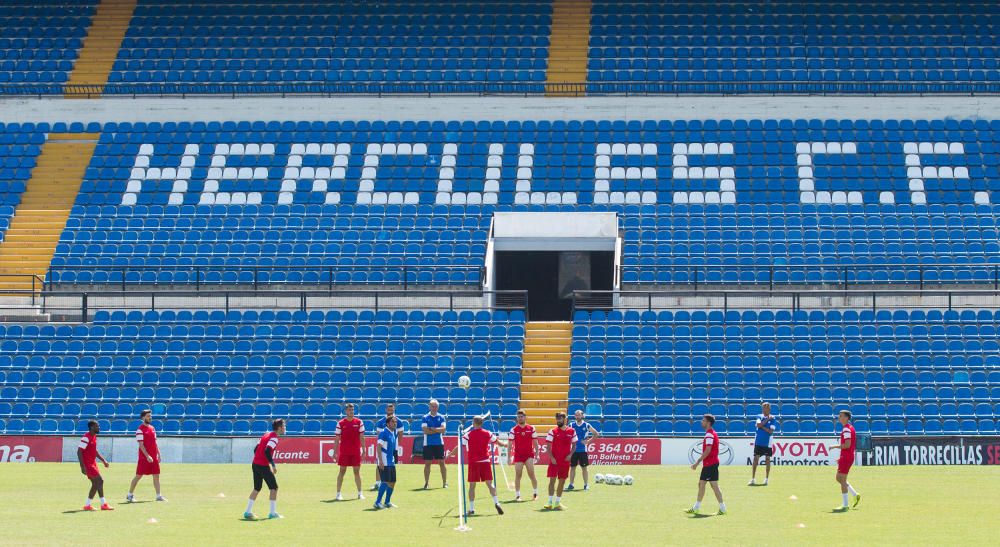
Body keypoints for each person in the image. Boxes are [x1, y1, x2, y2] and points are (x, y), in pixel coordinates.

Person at [464, 415, 506, 516]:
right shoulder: (488, 433)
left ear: (474, 423)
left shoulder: (468, 434)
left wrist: (450, 453)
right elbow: (498, 443)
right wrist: (505, 444)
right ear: (482, 423)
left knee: (472, 486)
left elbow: (459, 446)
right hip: (485, 462)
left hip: (474, 462)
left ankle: (471, 508)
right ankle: (497, 502)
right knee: (490, 484)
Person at [686, 414, 726, 515]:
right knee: (705, 484)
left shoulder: (709, 434)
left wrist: (697, 462)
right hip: (711, 463)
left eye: (703, 420)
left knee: (711, 485)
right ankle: (698, 507)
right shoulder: (711, 433)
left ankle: (721, 508)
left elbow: (708, 450)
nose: (701, 422)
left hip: (710, 463)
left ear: (708, 423)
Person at [245, 418, 284, 520]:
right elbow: (267, 450)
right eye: (284, 426)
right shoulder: (274, 438)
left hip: (255, 464)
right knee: (274, 488)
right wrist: (272, 465)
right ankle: (272, 513)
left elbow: (256, 449)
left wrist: (258, 459)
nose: (285, 428)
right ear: (279, 428)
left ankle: (247, 512)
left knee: (257, 488)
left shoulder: (266, 434)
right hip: (262, 465)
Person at [127, 409, 166, 502]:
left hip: (154, 457)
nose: (150, 417)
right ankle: (129, 495)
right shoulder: (140, 430)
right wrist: (147, 456)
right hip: (144, 458)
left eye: (150, 416)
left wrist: (159, 454)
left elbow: (155, 443)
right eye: (148, 416)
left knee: (156, 475)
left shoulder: (152, 428)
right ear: (143, 417)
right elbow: (141, 445)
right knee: (138, 476)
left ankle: (158, 496)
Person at [543, 412, 577, 510]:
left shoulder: (572, 431)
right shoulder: (552, 431)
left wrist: (570, 455)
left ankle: (557, 503)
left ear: (565, 419)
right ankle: (549, 502)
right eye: (557, 419)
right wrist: (552, 458)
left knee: (562, 482)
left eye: (560, 419)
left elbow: (574, 445)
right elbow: (548, 446)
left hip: (565, 461)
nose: (558, 421)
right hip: (554, 461)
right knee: (552, 481)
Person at [78, 420, 113, 511]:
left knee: (96, 483)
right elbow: (79, 451)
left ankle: (88, 505)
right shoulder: (86, 437)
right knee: (100, 481)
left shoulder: (94, 436)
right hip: (88, 465)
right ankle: (103, 504)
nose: (99, 427)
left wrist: (103, 460)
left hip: (93, 463)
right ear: (92, 427)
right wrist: (82, 466)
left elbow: (94, 451)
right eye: (97, 426)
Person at [830, 410, 862, 511]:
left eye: (841, 416)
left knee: (842, 479)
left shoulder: (846, 430)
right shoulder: (849, 428)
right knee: (839, 478)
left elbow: (847, 445)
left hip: (847, 457)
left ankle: (845, 505)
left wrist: (835, 446)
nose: (839, 418)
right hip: (846, 456)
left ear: (846, 418)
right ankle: (855, 494)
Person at [333, 403, 365, 500]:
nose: (351, 411)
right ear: (346, 411)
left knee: (357, 472)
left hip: (355, 451)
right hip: (344, 452)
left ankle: (360, 493)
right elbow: (337, 438)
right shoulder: (341, 423)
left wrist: (364, 449)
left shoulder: (359, 422)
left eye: (353, 409)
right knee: (342, 471)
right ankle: (338, 494)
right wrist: (335, 452)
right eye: (349, 409)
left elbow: (362, 437)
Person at [372, 403, 405, 492]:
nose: (390, 411)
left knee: (391, 465)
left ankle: (388, 482)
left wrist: (396, 445)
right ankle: (378, 482)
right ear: (386, 410)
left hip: (393, 448)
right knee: (379, 464)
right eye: (389, 410)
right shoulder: (381, 421)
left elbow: (401, 434)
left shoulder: (398, 421)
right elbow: (379, 435)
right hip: (383, 448)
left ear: (394, 410)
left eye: (392, 410)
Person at [567, 409, 600, 491]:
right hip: (573, 450)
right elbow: (566, 434)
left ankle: (586, 485)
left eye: (579, 415)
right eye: (576, 415)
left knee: (584, 468)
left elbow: (596, 434)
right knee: (572, 467)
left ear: (582, 415)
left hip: (583, 450)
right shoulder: (571, 425)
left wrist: (588, 441)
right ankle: (571, 484)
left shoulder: (586, 425)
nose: (578, 416)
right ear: (575, 416)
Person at [509, 409, 539, 501]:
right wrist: (509, 456)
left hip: (529, 455)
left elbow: (535, 442)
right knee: (518, 475)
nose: (520, 418)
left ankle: (535, 493)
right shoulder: (513, 430)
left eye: (521, 416)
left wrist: (537, 454)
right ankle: (518, 495)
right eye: (518, 417)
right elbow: (510, 444)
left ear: (525, 417)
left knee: (531, 474)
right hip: (518, 455)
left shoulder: (531, 428)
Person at [749, 402, 778, 486]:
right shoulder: (759, 416)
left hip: (767, 442)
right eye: (764, 407)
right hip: (758, 441)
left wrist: (762, 426)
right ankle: (753, 479)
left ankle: (766, 479)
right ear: (762, 409)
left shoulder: (773, 418)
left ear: (769, 409)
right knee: (755, 459)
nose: (765, 408)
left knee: (768, 460)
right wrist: (767, 420)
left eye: (767, 407)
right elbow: (758, 424)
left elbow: (770, 431)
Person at [421, 399, 448, 489]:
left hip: (439, 443)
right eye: (432, 406)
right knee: (428, 463)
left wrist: (432, 429)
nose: (434, 408)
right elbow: (425, 431)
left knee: (442, 463)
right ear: (429, 407)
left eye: (436, 406)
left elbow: (443, 430)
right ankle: (426, 483)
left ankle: (444, 483)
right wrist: (437, 430)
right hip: (427, 444)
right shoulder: (425, 417)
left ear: (438, 407)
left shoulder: (441, 417)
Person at [374, 416, 399, 509]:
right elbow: (378, 447)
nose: (395, 423)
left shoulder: (393, 433)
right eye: (393, 422)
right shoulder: (383, 433)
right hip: (384, 461)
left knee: (392, 482)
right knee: (385, 481)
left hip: (390, 461)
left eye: (395, 422)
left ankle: (387, 501)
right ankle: (377, 502)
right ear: (388, 423)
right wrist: (380, 461)